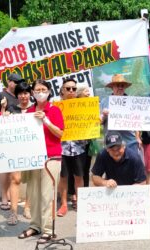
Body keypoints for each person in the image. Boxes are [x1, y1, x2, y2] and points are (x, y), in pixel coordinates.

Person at [18, 79, 64, 243]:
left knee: (47, 195)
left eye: (43, 89)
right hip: (33, 158)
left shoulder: (55, 110)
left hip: (51, 158)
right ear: (32, 93)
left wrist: (46, 120)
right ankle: (35, 225)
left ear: (49, 91)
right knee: (34, 194)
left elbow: (60, 134)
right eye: (37, 90)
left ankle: (48, 229)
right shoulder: (28, 111)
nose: (40, 92)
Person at [1, 82, 33, 224]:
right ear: (17, 95)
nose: (23, 96)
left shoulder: (35, 109)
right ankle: (13, 212)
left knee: (31, 180)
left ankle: (27, 207)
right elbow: (2, 127)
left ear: (30, 94)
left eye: (26, 93)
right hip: (15, 150)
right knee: (15, 179)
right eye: (20, 93)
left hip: (33, 149)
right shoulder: (12, 109)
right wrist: (4, 116)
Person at [0, 73, 23, 211]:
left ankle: (13, 195)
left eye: (19, 82)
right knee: (4, 170)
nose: (16, 84)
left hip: (18, 139)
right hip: (3, 139)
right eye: (15, 82)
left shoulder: (22, 96)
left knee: (15, 171)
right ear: (9, 82)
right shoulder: (0, 96)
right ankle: (4, 198)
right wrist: (2, 111)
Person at [57, 79, 88, 216]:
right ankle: (64, 204)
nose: (71, 91)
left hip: (79, 147)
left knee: (79, 176)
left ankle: (80, 201)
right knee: (63, 176)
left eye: (74, 89)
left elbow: (89, 125)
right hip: (61, 147)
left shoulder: (84, 106)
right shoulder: (56, 107)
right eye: (68, 88)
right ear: (62, 90)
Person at [100, 74, 141, 152]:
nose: (120, 87)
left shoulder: (132, 101)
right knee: (113, 163)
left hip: (130, 141)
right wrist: (104, 115)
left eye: (122, 85)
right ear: (112, 87)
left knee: (131, 162)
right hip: (112, 141)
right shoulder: (104, 101)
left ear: (125, 87)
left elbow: (137, 121)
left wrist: (138, 137)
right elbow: (100, 122)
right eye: (117, 85)